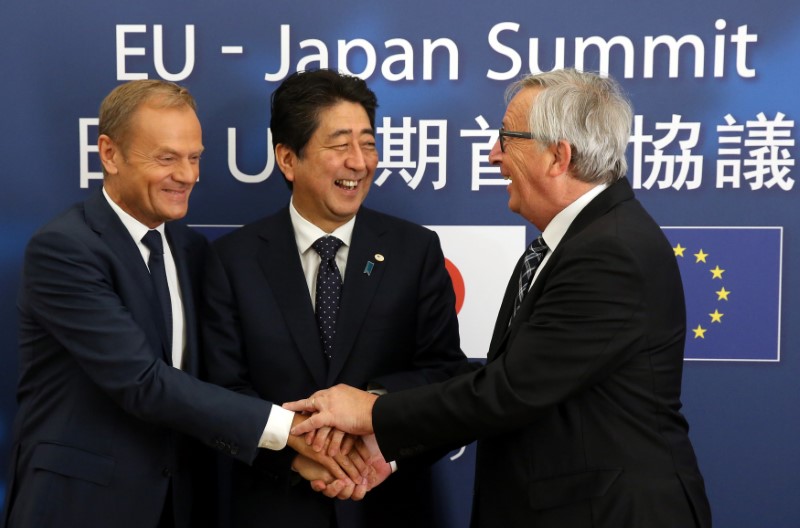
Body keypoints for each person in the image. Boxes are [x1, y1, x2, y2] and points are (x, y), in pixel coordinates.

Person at [287, 69, 713, 528]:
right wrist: (387, 446)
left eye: (506, 139)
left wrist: (373, 412)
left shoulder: (608, 252)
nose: (494, 155)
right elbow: (515, 378)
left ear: (558, 156)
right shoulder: (580, 241)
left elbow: (509, 392)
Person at [3, 79, 365, 528]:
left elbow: (211, 380)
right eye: (167, 158)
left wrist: (293, 456)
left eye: (194, 158)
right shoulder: (65, 249)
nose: (188, 175)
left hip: (181, 503)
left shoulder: (191, 250)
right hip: (81, 504)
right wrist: (290, 430)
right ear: (109, 154)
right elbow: (142, 381)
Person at [201, 69, 468, 527]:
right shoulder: (233, 260)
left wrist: (373, 414)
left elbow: (446, 375)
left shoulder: (415, 251)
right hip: (275, 507)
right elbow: (222, 392)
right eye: (340, 144)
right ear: (288, 159)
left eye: (367, 142)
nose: (359, 162)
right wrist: (292, 453)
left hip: (389, 505)